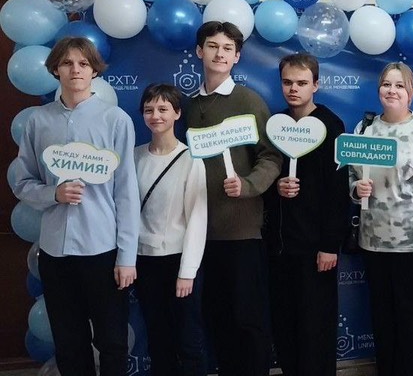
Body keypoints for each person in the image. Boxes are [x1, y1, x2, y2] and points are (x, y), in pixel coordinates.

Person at [10, 37, 140, 375]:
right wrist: (53, 194)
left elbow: (127, 192)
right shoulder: (38, 122)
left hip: (102, 250)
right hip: (55, 252)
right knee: (69, 342)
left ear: (94, 70)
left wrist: (127, 257)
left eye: (83, 63)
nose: (76, 70)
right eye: (67, 63)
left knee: (112, 340)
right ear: (56, 69)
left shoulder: (115, 120)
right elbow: (22, 182)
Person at [185, 21, 283, 375]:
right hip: (199, 234)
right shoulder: (188, 106)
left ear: (237, 57)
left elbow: (271, 156)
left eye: (228, 48)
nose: (220, 53)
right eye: (213, 46)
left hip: (242, 232)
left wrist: (249, 184)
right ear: (200, 51)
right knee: (216, 318)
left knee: (248, 321)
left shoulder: (248, 101)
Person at [350, 62, 413, 376]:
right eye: (386, 84)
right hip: (374, 246)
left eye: (399, 85)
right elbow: (352, 179)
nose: (392, 91)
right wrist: (356, 189)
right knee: (385, 328)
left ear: (410, 92)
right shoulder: (365, 128)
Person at [263, 53, 350, 376]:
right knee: (285, 325)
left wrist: (329, 245)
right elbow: (265, 174)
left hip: (316, 249)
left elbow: (338, 190)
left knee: (316, 327)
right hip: (281, 247)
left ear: (316, 84)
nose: (293, 89)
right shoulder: (276, 124)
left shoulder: (331, 125)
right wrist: (276, 187)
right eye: (287, 82)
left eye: (301, 83)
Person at [134, 83, 208, 376]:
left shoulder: (192, 158)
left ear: (177, 113)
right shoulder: (134, 157)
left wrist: (187, 272)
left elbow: (197, 219)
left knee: (188, 339)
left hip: (179, 261)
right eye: (149, 110)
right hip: (143, 261)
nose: (156, 116)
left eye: (163, 109)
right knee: (157, 337)